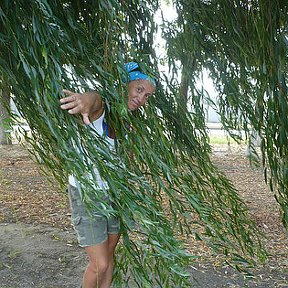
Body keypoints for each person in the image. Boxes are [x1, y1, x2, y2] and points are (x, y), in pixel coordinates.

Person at [60, 62, 156, 288]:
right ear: (125, 84)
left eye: (147, 96)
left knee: (110, 253)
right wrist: (85, 100)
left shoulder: (127, 120)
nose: (142, 99)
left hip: (113, 194)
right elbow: (95, 100)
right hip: (87, 194)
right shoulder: (102, 110)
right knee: (100, 264)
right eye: (139, 89)